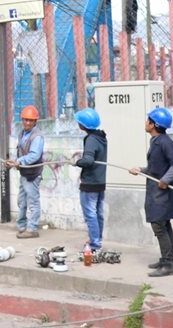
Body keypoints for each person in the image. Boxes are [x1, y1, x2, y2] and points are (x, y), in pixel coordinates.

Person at [129, 107, 173, 277]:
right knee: (163, 224)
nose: (146, 123)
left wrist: (165, 180)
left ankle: (167, 265)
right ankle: (166, 258)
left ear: (153, 125)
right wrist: (141, 170)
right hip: (156, 191)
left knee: (159, 226)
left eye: (148, 121)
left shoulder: (165, 142)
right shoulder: (156, 141)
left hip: (162, 194)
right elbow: (156, 168)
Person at [73, 107, 108, 254]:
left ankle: (94, 245)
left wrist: (77, 162)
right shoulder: (101, 137)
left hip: (90, 183)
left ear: (83, 125)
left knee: (90, 214)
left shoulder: (91, 139)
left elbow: (88, 160)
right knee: (98, 213)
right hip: (100, 182)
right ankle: (97, 239)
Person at [7, 105, 44, 238]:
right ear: (22, 120)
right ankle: (22, 226)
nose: (27, 122)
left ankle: (32, 228)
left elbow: (34, 155)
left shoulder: (37, 137)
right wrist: (14, 161)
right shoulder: (22, 134)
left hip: (33, 174)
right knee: (22, 201)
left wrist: (19, 161)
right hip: (24, 173)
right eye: (25, 120)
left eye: (30, 120)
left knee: (33, 202)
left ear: (35, 122)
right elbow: (20, 151)